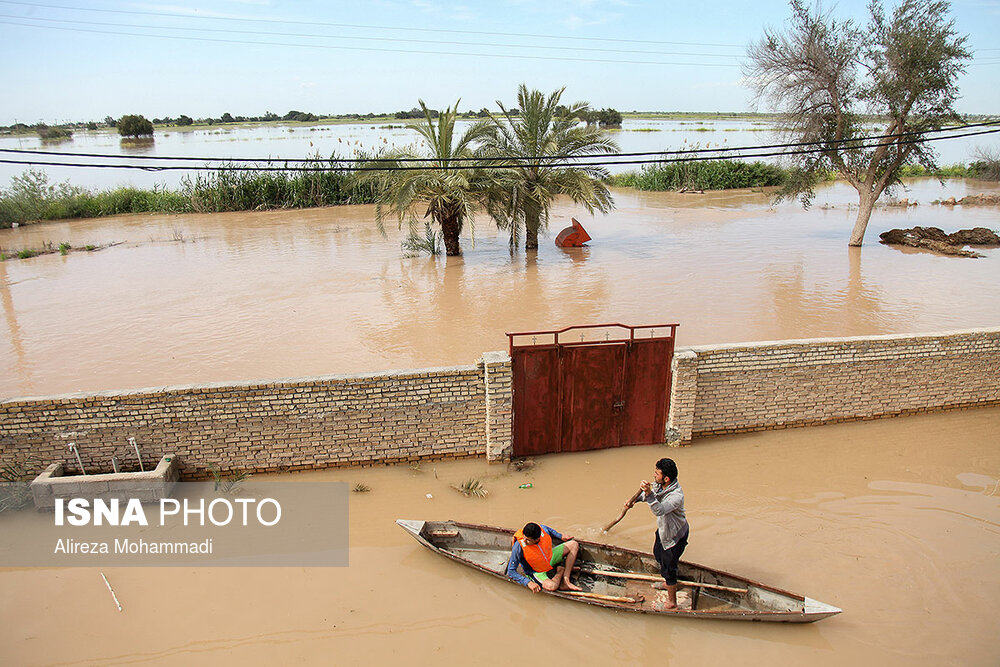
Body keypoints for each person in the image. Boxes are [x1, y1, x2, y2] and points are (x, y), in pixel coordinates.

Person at [626, 457, 689, 610]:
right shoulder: (660, 486)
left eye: (657, 474)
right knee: (657, 554)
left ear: (666, 478)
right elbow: (649, 495)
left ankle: (672, 601)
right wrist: (636, 499)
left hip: (674, 536)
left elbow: (659, 510)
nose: (654, 476)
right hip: (663, 530)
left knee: (669, 567)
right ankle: (668, 581)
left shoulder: (676, 496)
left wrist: (648, 493)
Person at [506, 522, 582, 593]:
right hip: (536, 571)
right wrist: (528, 582)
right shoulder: (519, 546)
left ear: (537, 539)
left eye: (528, 540)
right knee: (552, 586)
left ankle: (566, 580)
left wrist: (560, 536)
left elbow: (548, 529)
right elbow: (511, 571)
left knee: (574, 544)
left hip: (549, 558)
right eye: (524, 537)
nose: (524, 541)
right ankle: (560, 571)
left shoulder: (543, 531)